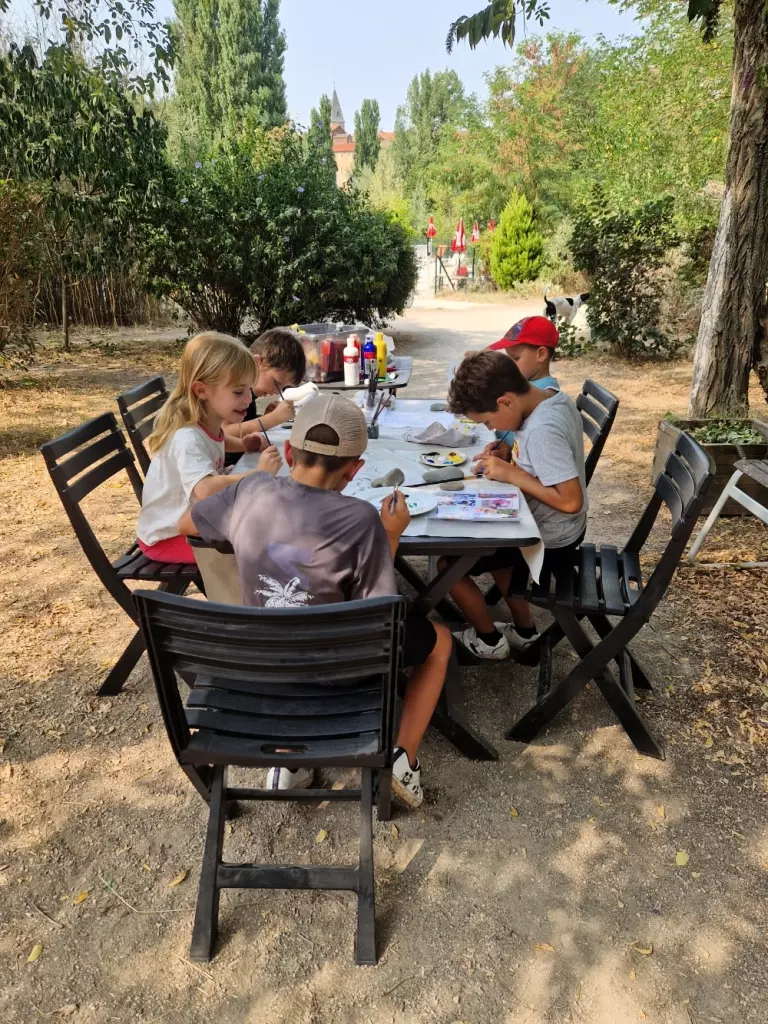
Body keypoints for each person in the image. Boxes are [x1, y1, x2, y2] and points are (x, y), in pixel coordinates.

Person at [178, 393, 451, 809]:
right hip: (339, 671)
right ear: (354, 470)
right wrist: (390, 535)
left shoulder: (250, 490)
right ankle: (403, 759)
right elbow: (380, 613)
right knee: (440, 640)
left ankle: (289, 759)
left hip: (263, 663)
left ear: (289, 453)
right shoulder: (362, 519)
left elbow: (187, 524)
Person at [443, 350, 587, 660]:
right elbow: (543, 461)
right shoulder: (550, 398)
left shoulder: (541, 431)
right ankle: (524, 632)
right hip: (553, 526)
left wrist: (512, 474)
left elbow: (571, 500)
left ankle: (489, 641)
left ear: (505, 402)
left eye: (487, 421)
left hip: (550, 537)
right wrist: (510, 453)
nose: (489, 428)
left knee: (449, 565)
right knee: (493, 551)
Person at [136, 332, 282, 565]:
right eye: (238, 392)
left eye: (249, 389)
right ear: (201, 390)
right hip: (169, 537)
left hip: (193, 522)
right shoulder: (186, 437)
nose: (248, 399)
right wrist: (257, 474)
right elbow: (204, 489)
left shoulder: (206, 423)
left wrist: (243, 444)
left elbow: (216, 440)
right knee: (259, 546)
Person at [223, 328, 307, 459]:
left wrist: (264, 416)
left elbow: (240, 424)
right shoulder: (231, 386)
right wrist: (272, 419)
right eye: (277, 382)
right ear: (257, 362)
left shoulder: (248, 392)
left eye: (283, 387)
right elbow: (224, 433)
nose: (276, 391)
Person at [484, 316, 560, 450]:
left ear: (541, 354)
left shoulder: (546, 394)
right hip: (506, 450)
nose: (510, 365)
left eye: (515, 358)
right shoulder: (525, 380)